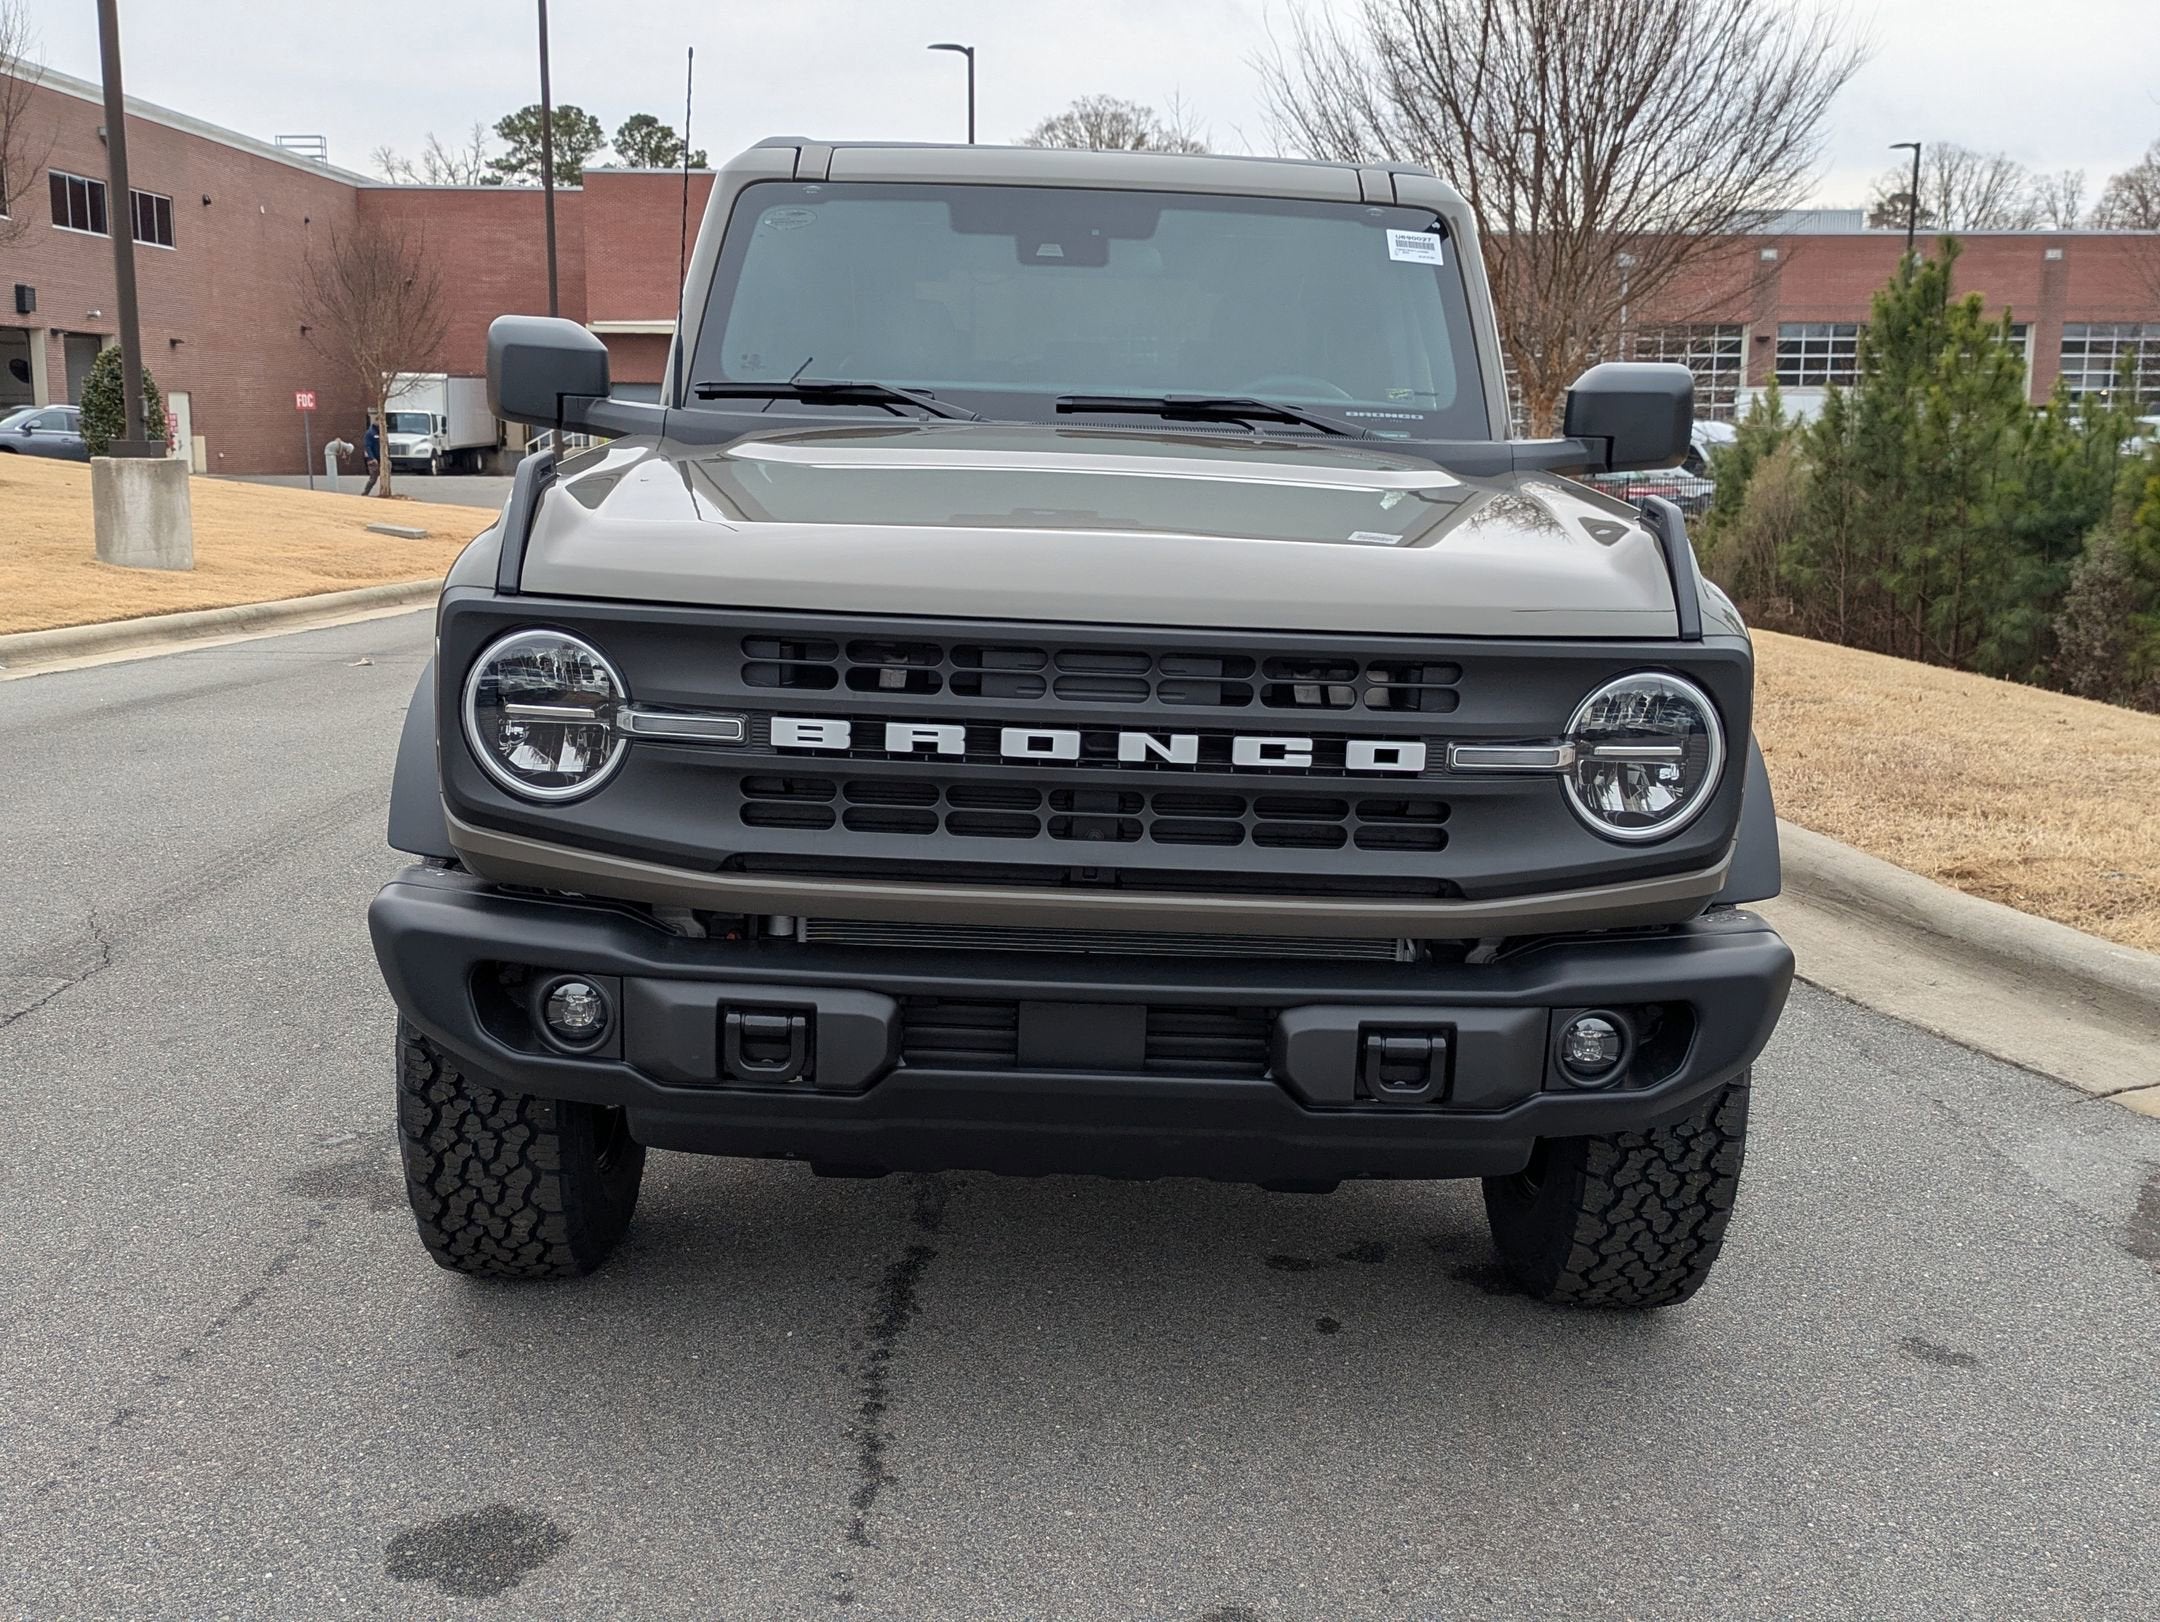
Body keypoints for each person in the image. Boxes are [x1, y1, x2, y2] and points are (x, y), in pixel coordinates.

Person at [362, 418, 381, 496]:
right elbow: (367, 446)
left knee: (384, 476)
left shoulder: (381, 432)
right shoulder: (370, 433)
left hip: (381, 458)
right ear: (375, 421)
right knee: (373, 478)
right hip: (373, 459)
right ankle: (365, 492)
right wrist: (372, 458)